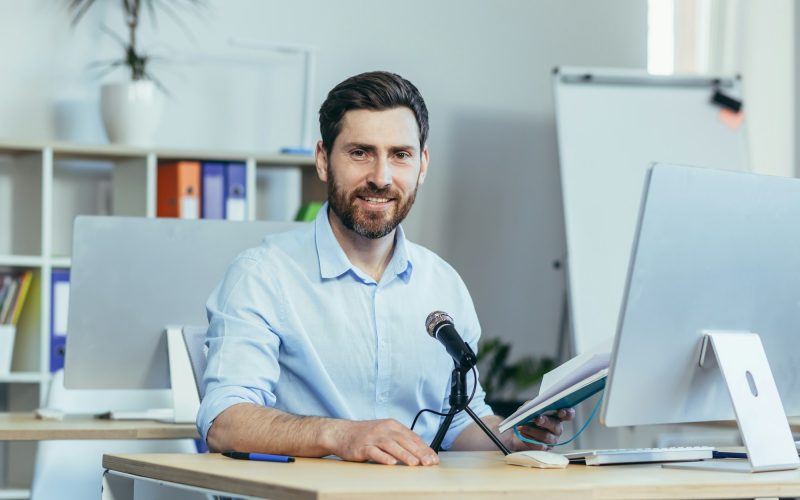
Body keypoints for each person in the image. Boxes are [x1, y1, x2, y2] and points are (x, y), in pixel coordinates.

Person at [198, 71, 574, 466]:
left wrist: (511, 436)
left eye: (400, 154)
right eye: (360, 152)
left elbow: (461, 420)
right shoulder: (263, 275)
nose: (381, 177)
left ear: (422, 165)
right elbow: (225, 421)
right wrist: (340, 434)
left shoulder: (442, 283)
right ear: (324, 160)